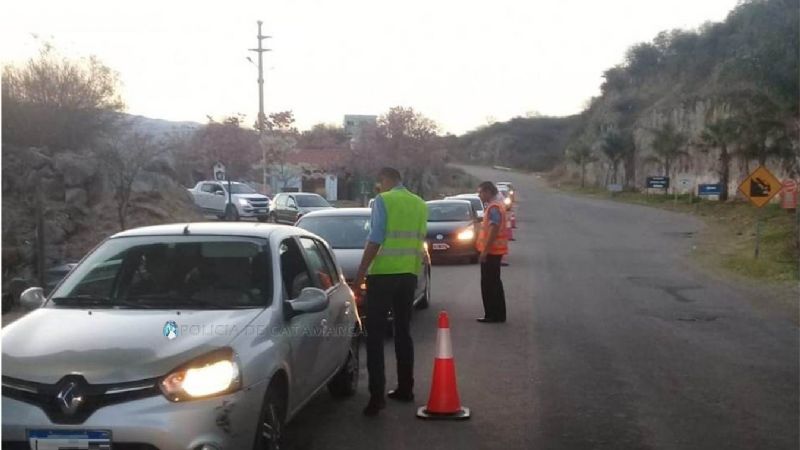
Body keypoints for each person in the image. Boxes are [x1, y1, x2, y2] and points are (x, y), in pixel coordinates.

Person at [355, 167, 428, 416]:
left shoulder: (383, 201)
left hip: (383, 275)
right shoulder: (420, 204)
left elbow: (375, 238)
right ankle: (406, 389)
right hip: (408, 275)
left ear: (385, 180)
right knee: (403, 331)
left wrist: (361, 272)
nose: (379, 188)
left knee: (374, 336)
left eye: (380, 183)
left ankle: (377, 397)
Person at [475, 181, 509, 323]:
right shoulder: (496, 205)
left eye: (481, 192)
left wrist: (485, 251)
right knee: (495, 282)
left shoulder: (494, 207)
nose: (479, 195)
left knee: (489, 284)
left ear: (488, 192)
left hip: (491, 252)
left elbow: (494, 229)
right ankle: (498, 314)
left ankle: (492, 314)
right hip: (495, 251)